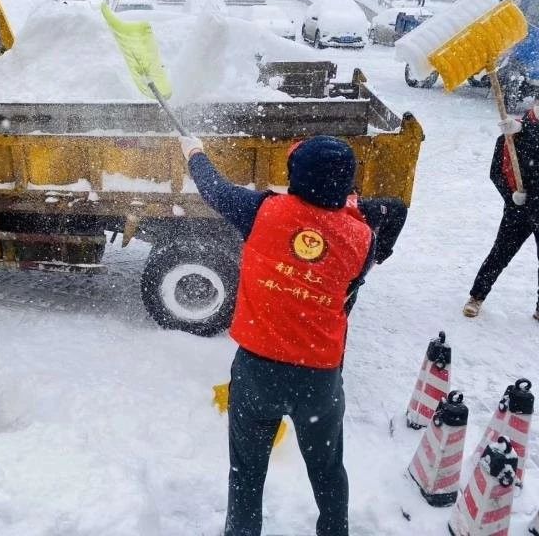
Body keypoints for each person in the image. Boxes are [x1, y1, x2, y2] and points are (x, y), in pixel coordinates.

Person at [178, 134, 407, 536]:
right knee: (328, 471)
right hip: (319, 380)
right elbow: (387, 217)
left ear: (295, 178)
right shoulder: (362, 238)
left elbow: (213, 189)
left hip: (257, 375)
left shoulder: (262, 211)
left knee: (246, 470)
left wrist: (194, 152)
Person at [464, 104, 539, 319]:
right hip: (518, 210)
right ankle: (477, 296)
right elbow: (496, 172)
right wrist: (512, 195)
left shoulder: (521, 130)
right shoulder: (509, 138)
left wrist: (523, 129)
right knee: (500, 254)